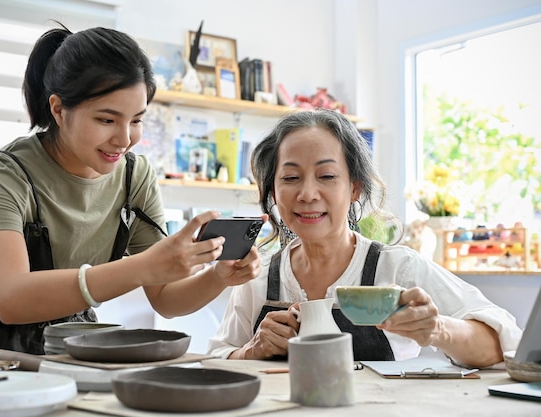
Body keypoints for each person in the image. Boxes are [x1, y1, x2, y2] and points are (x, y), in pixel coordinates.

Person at [0, 24, 263, 355]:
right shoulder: (4, 173)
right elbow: (10, 299)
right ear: (58, 109)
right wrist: (142, 266)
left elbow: (166, 299)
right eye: (107, 120)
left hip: (71, 344)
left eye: (136, 120)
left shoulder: (134, 176)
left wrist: (218, 277)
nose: (124, 139)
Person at [207, 109, 522, 368]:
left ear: (354, 188)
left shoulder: (398, 268)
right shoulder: (255, 279)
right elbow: (218, 358)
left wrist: (436, 329)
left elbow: (502, 343)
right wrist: (253, 350)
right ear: (274, 191)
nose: (307, 194)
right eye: (290, 178)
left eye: (327, 176)